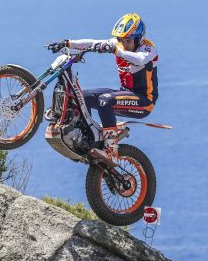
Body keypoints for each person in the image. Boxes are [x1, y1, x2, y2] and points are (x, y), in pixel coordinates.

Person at [47, 13, 158, 162]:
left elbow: (139, 60)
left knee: (105, 101)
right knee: (82, 97)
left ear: (139, 39)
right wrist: (67, 43)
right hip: (125, 93)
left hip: (144, 101)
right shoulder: (118, 44)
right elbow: (91, 43)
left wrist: (116, 50)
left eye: (128, 41)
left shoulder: (148, 49)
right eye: (121, 40)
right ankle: (87, 139)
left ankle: (111, 150)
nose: (124, 44)